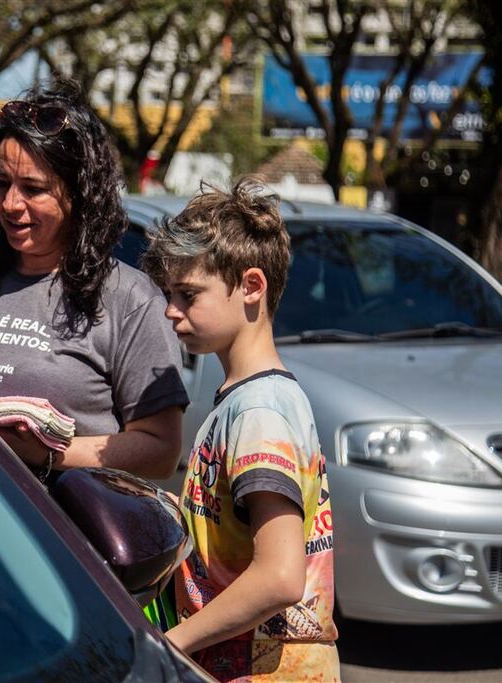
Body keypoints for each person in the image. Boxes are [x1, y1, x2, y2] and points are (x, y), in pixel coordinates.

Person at [0, 81, 188, 480]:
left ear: (79, 194)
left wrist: (44, 453)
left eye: (34, 189)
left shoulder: (129, 299)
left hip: (59, 521)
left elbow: (161, 451)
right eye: (2, 183)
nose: (11, 203)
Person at [141, 179, 339, 682]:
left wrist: (171, 643)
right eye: (169, 294)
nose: (170, 309)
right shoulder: (249, 401)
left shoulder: (258, 413)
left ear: (252, 286)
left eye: (188, 294)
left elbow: (280, 577)